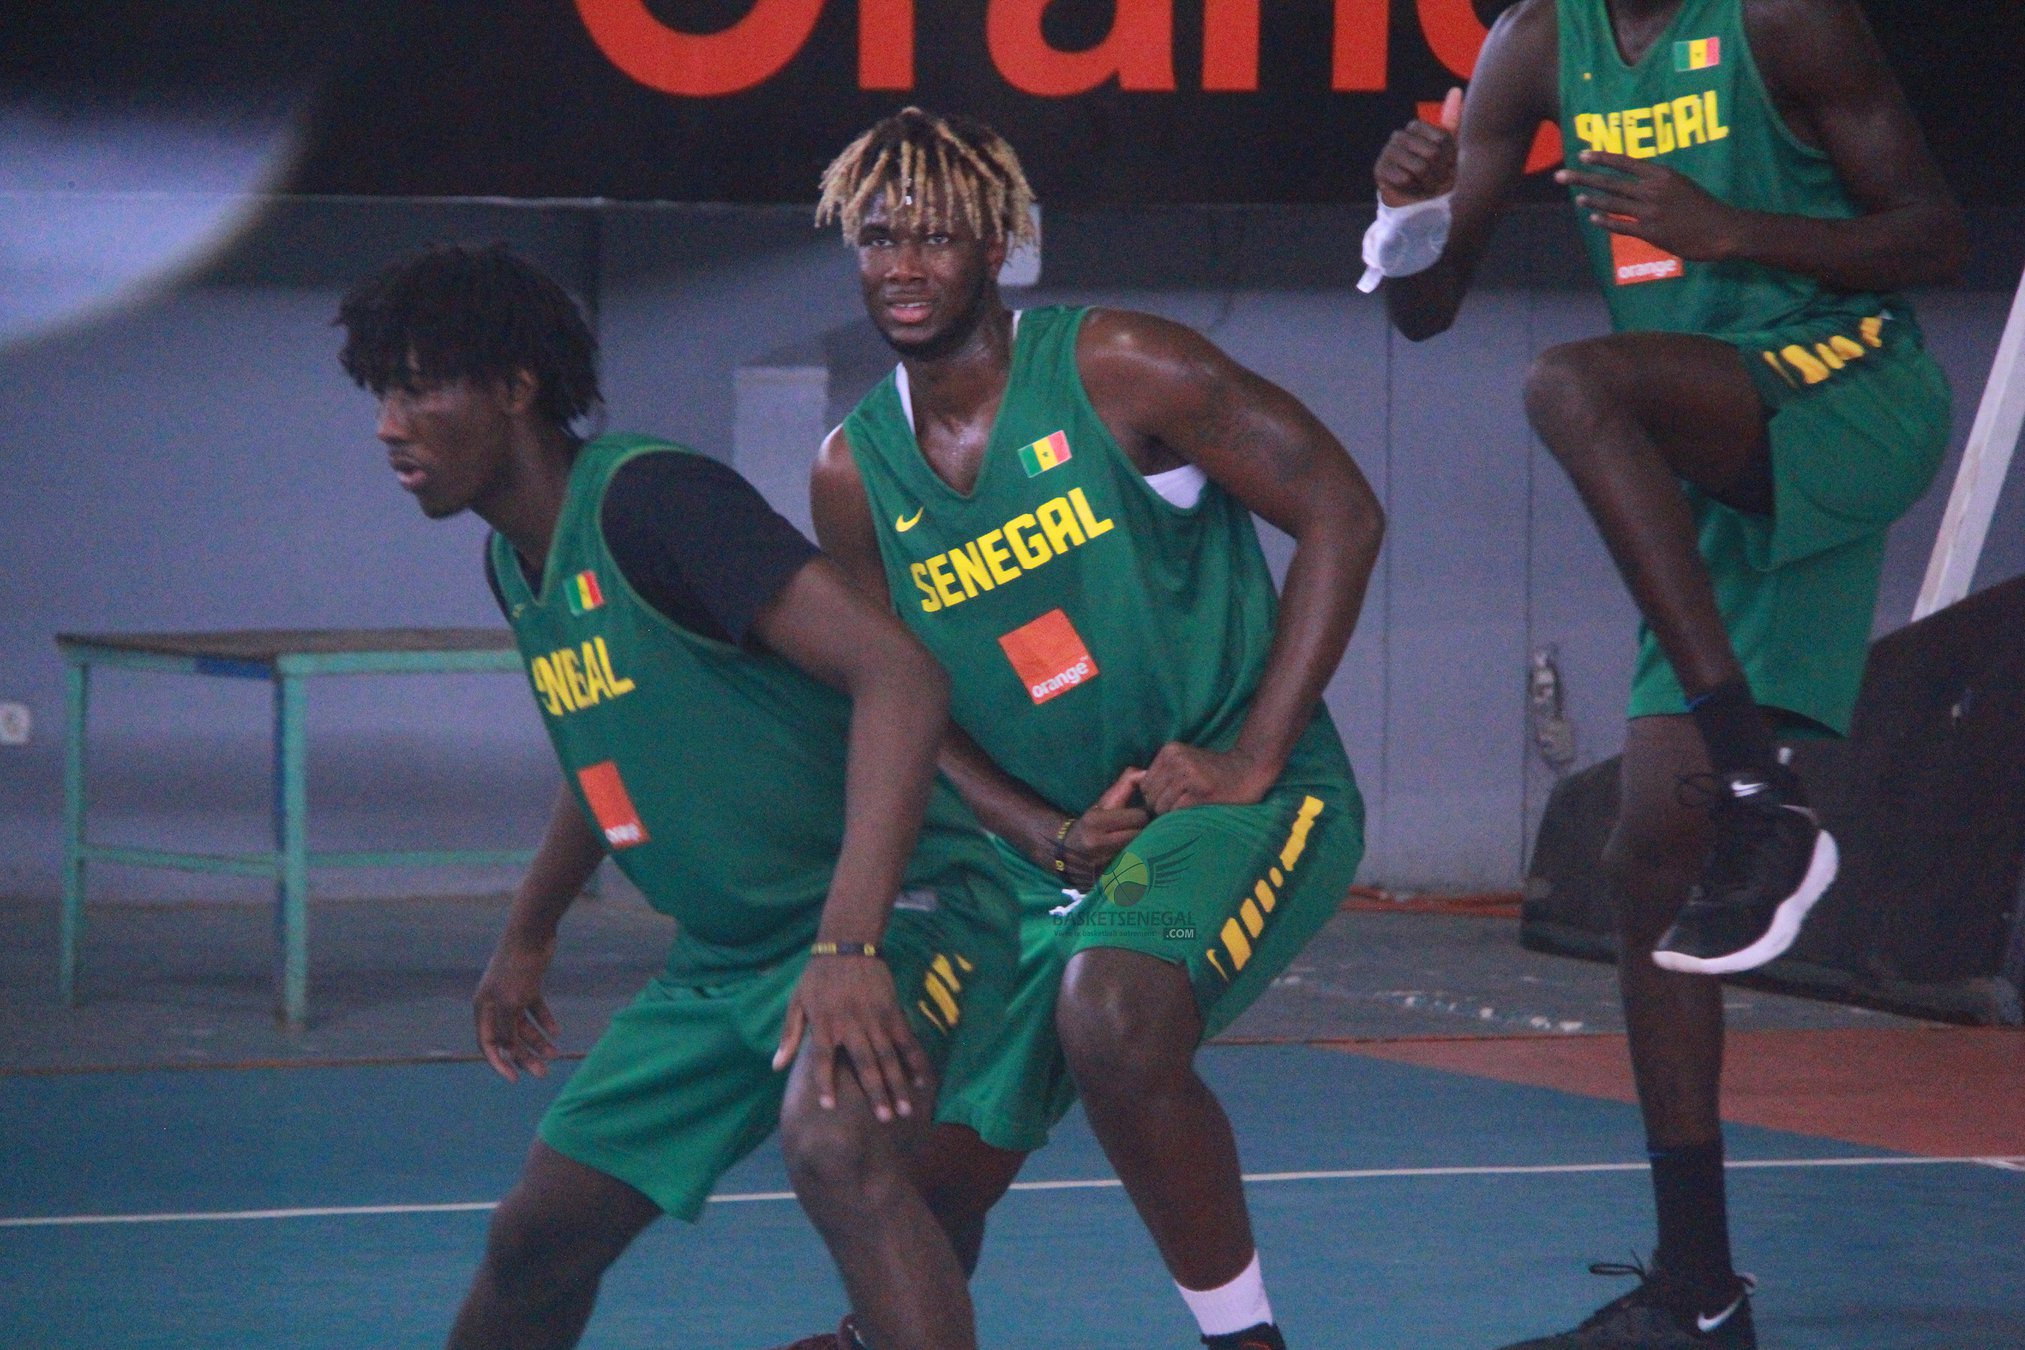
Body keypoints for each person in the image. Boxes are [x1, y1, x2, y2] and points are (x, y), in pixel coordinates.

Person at [1365, 1, 1963, 1344]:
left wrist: (1728, 230)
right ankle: (1698, 1291)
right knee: (1648, 863)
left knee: (1572, 386)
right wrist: (1402, 215)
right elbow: (1422, 310)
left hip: (1848, 388)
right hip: (1710, 451)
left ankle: (1762, 784)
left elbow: (1936, 234)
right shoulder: (1531, 45)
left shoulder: (1783, 20)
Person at [336, 242, 1019, 1350]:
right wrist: (528, 934)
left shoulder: (654, 500)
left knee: (837, 1146)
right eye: (383, 394)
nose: (388, 424)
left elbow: (899, 672)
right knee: (536, 1241)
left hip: (903, 917)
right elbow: (606, 745)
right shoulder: (518, 562)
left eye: (418, 388)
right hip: (729, 959)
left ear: (513, 390)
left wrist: (847, 952)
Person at [780, 108, 1385, 1350]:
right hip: (1046, 853)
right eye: (879, 235)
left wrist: (1256, 753)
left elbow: (1341, 508)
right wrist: (1042, 830)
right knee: (912, 1172)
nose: (902, 264)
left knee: (1112, 1013)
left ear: (1000, 243)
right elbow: (895, 700)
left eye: (937, 236)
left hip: (1236, 803)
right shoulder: (852, 472)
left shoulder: (1120, 365)